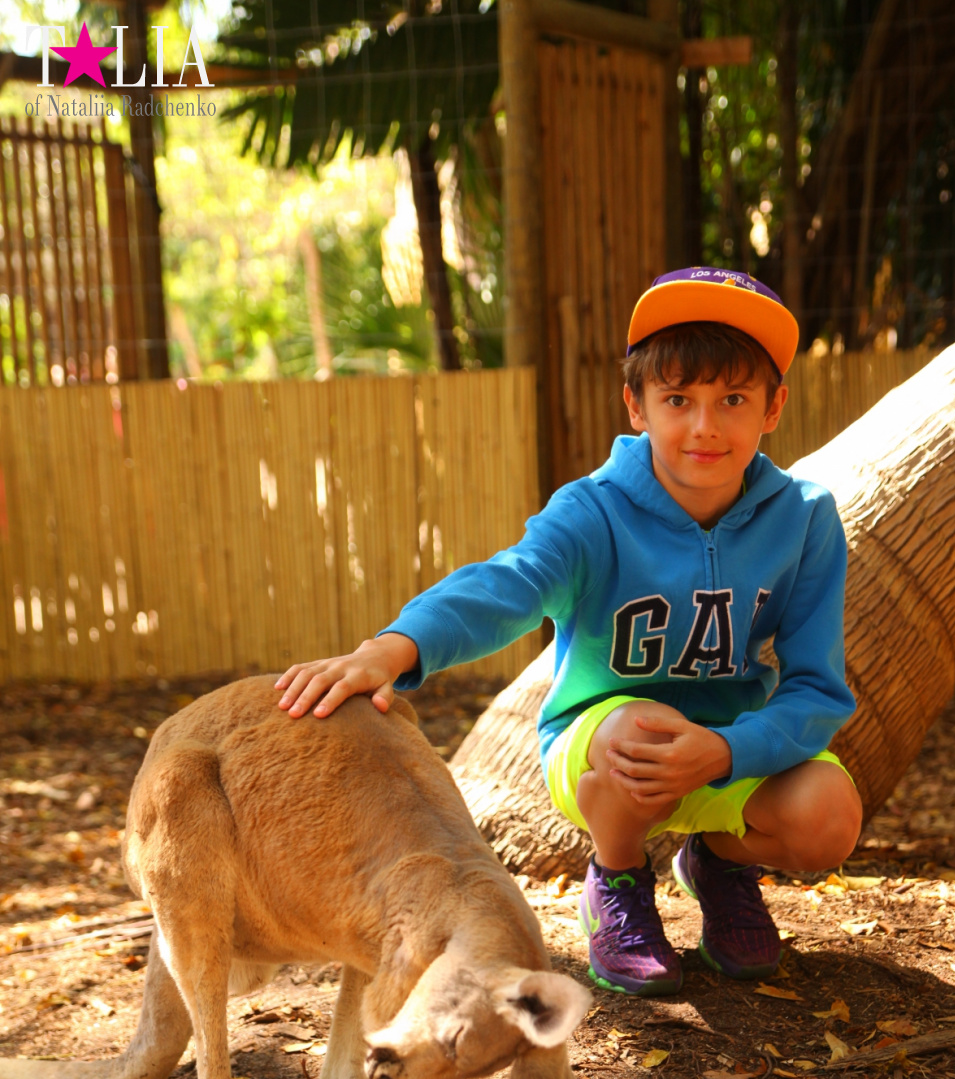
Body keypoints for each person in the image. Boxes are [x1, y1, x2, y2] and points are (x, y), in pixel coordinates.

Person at [275, 267, 862, 999]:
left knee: (831, 815)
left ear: (773, 407)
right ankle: (617, 882)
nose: (705, 425)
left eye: (732, 400)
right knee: (643, 726)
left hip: (725, 749)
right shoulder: (594, 510)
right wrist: (392, 649)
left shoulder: (803, 517)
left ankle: (719, 863)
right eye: (678, 399)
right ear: (637, 405)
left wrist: (727, 748)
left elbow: (815, 686)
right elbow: (507, 582)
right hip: (605, 744)